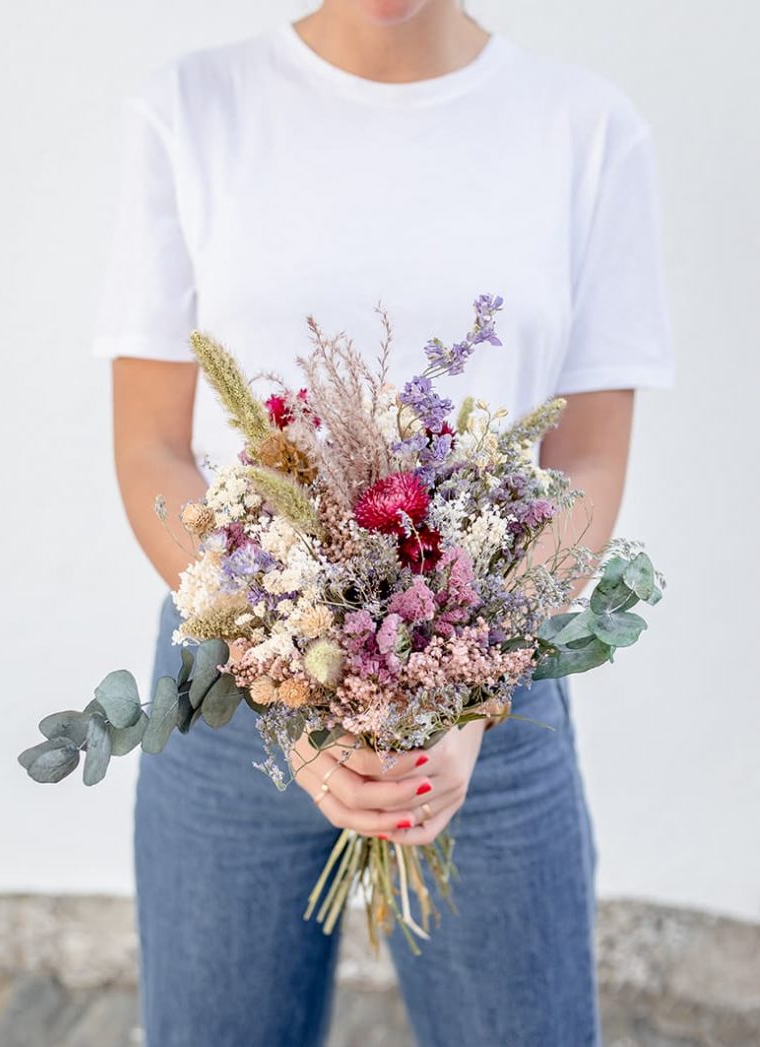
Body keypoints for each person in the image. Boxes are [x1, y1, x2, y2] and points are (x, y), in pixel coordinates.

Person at [92, 2, 674, 1044]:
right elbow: (152, 448)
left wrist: (471, 683)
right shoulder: (192, 110)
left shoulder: (585, 130)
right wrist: (277, 665)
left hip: (492, 711)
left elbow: (585, 458)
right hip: (233, 694)